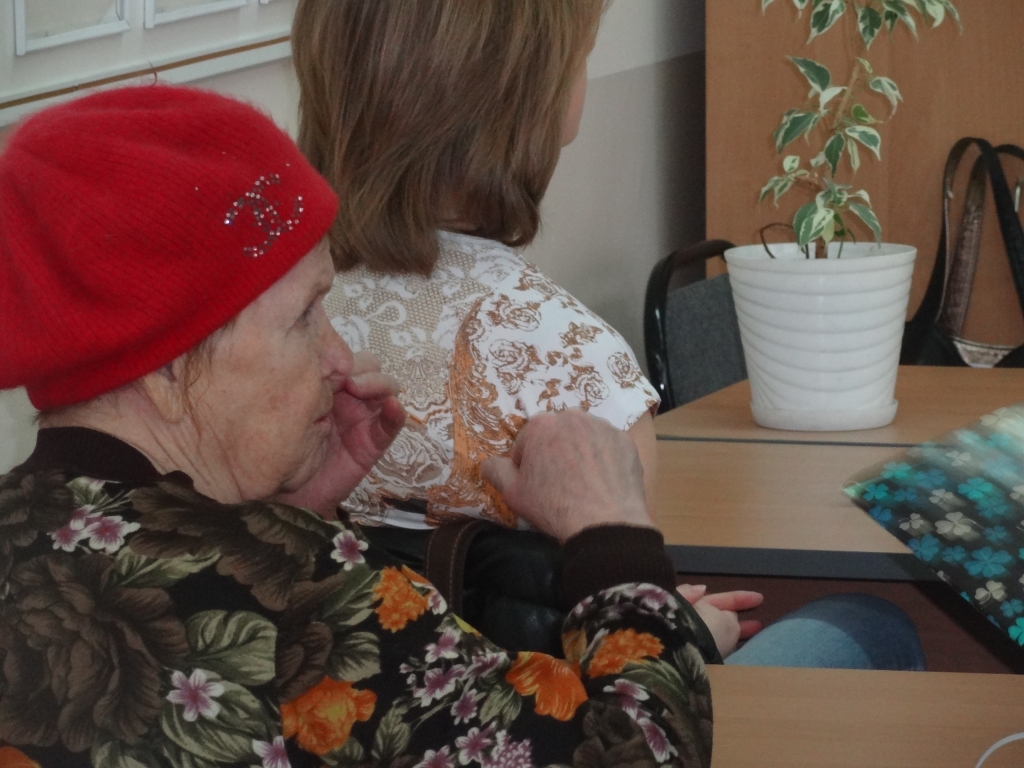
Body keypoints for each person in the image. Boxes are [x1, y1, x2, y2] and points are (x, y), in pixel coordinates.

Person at [0, 85, 719, 767]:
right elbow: (635, 752)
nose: (339, 357)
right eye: (303, 317)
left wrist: (288, 515)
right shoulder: (305, 597)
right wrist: (614, 540)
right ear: (164, 367)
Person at [289, 0, 927, 671]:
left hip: (354, 690)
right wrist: (684, 634)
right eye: (580, 58)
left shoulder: (278, 317)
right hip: (543, 710)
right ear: (530, 99)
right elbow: (624, 662)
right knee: (872, 624)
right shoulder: (570, 358)